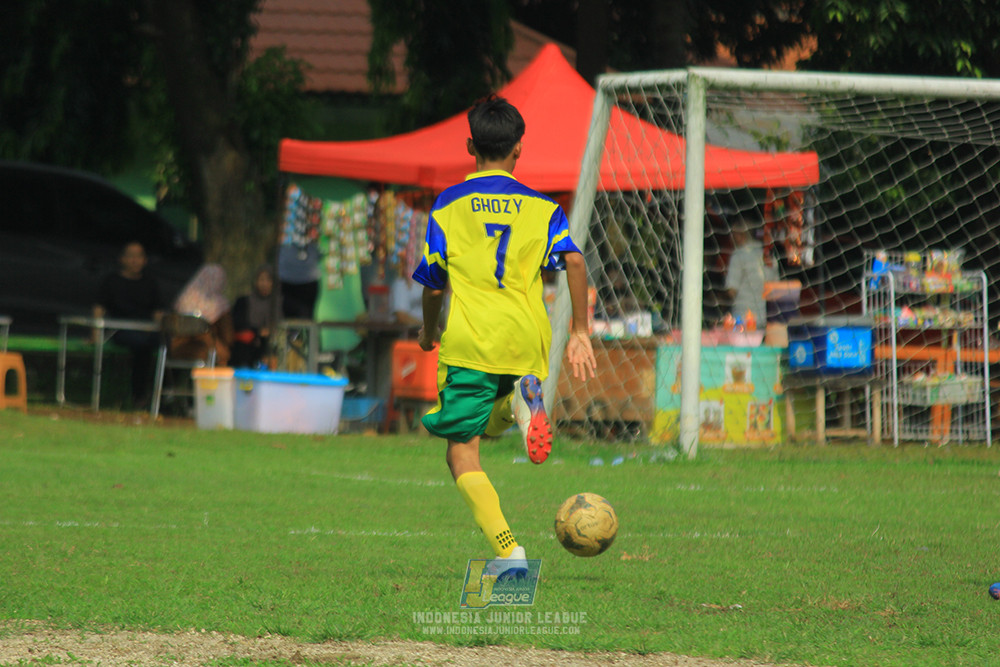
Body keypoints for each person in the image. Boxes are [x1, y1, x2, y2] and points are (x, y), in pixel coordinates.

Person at [411, 95, 597, 578]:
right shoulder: (542, 207)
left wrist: (429, 333)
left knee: (461, 450)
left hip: (471, 342)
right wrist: (579, 331)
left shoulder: (448, 205)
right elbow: (574, 261)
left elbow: (434, 284)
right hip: (525, 341)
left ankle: (509, 552)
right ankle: (520, 402)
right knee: (491, 426)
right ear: (519, 149)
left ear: (470, 146)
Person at [94, 241, 164, 410]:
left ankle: (165, 397)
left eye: (139, 256)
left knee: (168, 346)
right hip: (121, 330)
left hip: (147, 331)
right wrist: (95, 334)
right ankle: (139, 396)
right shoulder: (111, 281)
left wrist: (159, 329)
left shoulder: (151, 283)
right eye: (131, 256)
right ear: (122, 259)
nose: (135, 260)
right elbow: (99, 309)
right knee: (141, 347)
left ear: (145, 260)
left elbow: (158, 313)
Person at [170, 263, 234, 366]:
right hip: (205, 350)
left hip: (174, 349)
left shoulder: (183, 299)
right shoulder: (219, 304)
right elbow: (228, 337)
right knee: (223, 355)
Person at [724, 220, 774, 327]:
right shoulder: (768, 255)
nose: (730, 238)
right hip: (766, 318)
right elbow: (777, 287)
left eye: (733, 234)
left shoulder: (738, 255)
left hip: (742, 319)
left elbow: (732, 290)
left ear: (740, 234)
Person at [231, 264, 280, 368]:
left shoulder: (279, 303)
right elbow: (238, 324)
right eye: (261, 280)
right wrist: (257, 332)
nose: (264, 284)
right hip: (247, 350)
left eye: (268, 280)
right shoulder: (243, 302)